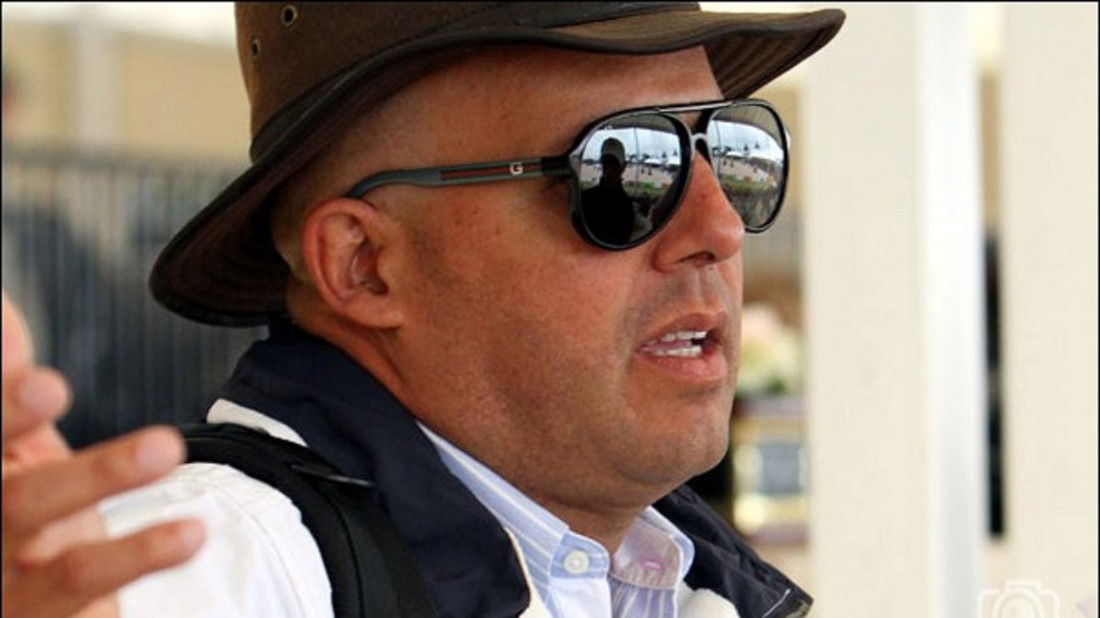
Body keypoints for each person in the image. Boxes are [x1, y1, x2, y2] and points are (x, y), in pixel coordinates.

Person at [2, 3, 845, 617]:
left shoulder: (681, 578)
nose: (719, 228)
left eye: (731, 151)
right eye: (624, 172)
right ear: (365, 266)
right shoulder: (225, 562)